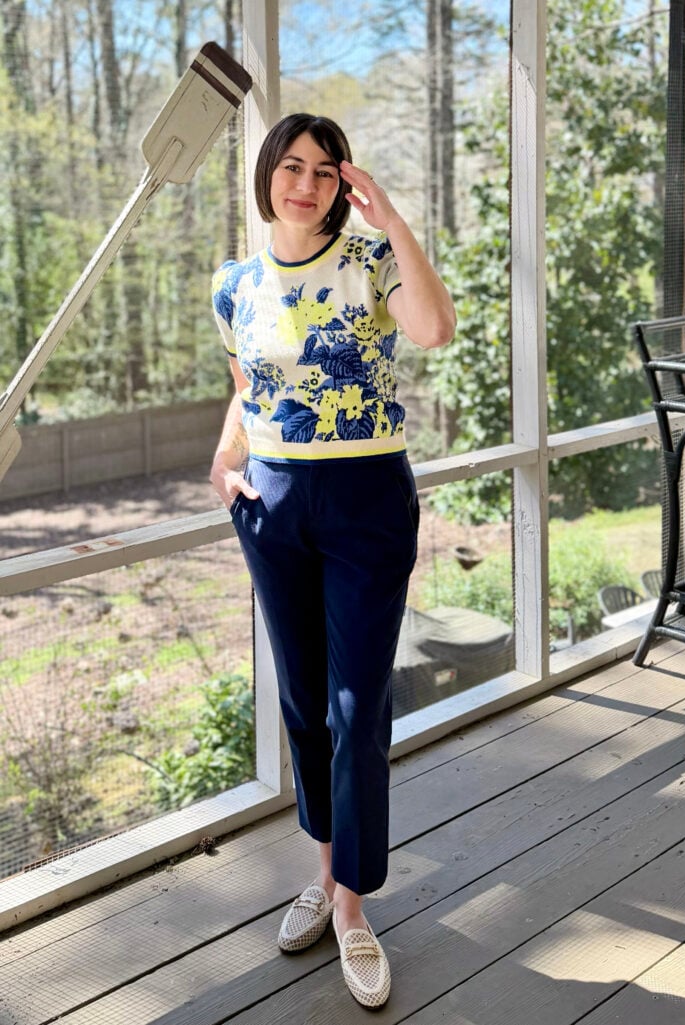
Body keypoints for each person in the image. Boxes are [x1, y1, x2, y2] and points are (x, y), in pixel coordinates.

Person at [210, 112, 455, 1007]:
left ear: (341, 183)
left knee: (357, 706)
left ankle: (352, 908)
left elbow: (432, 330)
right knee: (303, 705)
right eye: (291, 166)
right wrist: (223, 455)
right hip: (272, 504)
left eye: (323, 171)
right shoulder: (234, 282)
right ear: (268, 174)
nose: (305, 185)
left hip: (364, 501)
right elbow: (250, 385)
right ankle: (323, 871)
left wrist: (391, 220)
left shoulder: (371, 259)